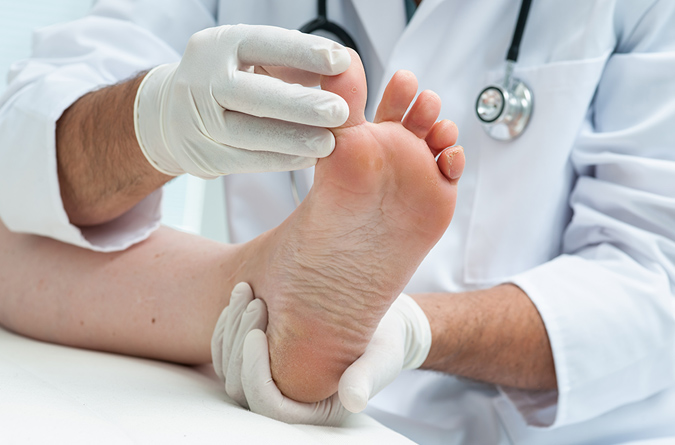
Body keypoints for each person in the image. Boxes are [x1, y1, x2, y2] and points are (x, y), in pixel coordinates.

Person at [1, 1, 674, 444]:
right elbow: (20, 139)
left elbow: (655, 279)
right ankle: (270, 287)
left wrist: (411, 326)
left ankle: (272, 294)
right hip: (269, 396)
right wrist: (150, 121)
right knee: (11, 242)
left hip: (565, 428)